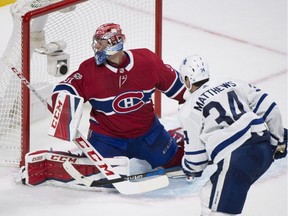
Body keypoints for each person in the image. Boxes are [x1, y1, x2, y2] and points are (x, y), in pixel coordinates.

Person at [51, 23, 186, 170]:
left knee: (176, 161)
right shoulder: (90, 70)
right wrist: (61, 102)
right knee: (95, 173)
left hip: (148, 134)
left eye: (100, 42)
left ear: (114, 42)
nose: (96, 47)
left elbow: (182, 90)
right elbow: (66, 88)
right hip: (107, 139)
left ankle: (173, 140)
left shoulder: (147, 62)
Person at [177, 55, 287, 215]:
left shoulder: (187, 110)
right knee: (208, 194)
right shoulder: (232, 82)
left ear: (187, 80)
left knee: (222, 212)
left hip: (236, 158)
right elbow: (270, 109)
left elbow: (196, 162)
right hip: (263, 150)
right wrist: (279, 141)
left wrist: (188, 168)